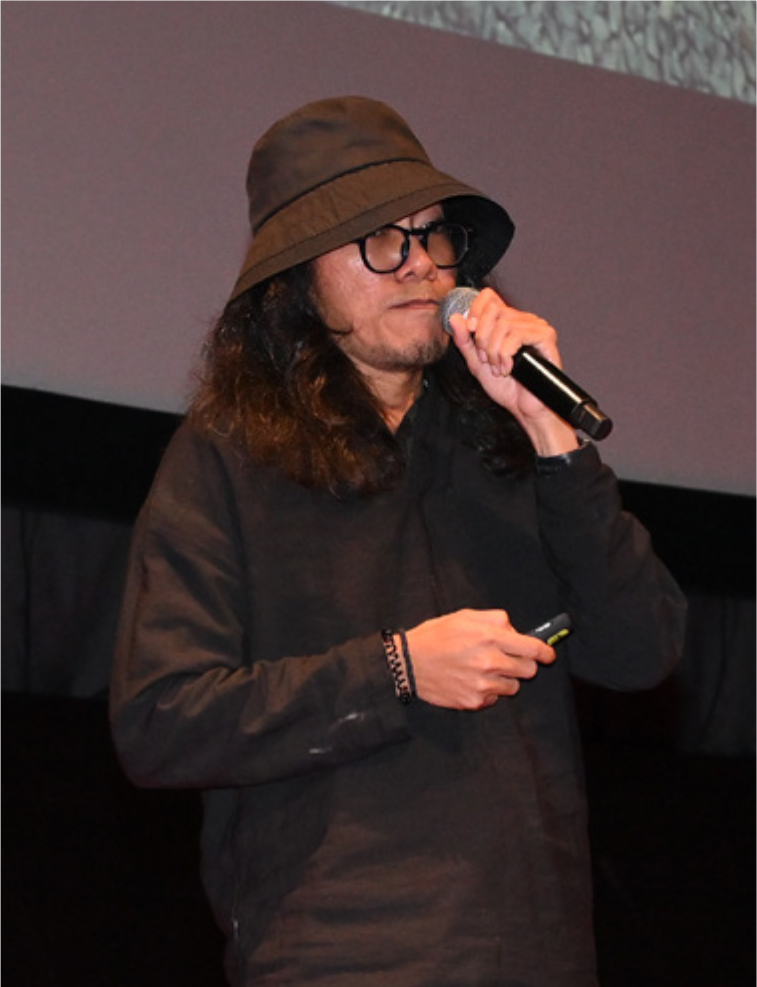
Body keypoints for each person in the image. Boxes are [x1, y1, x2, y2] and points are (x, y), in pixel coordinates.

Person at [109, 96, 687, 986]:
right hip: (341, 951)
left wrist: (551, 436)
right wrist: (397, 671)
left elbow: (641, 650)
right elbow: (161, 721)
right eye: (380, 239)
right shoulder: (228, 457)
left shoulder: (506, 445)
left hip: (534, 947)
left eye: (432, 235)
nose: (420, 264)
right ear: (298, 280)